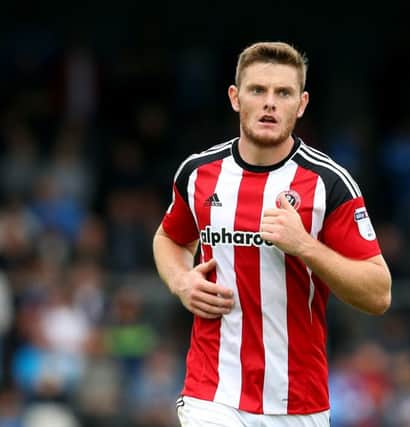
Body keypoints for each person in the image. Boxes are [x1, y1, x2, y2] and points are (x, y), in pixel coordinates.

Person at [152, 41, 392, 427]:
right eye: (257, 90)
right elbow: (169, 238)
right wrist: (181, 281)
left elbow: (379, 293)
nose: (270, 103)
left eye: (283, 93)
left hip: (298, 403)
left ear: (301, 104)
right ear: (235, 97)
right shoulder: (199, 173)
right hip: (212, 393)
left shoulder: (329, 184)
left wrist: (306, 247)